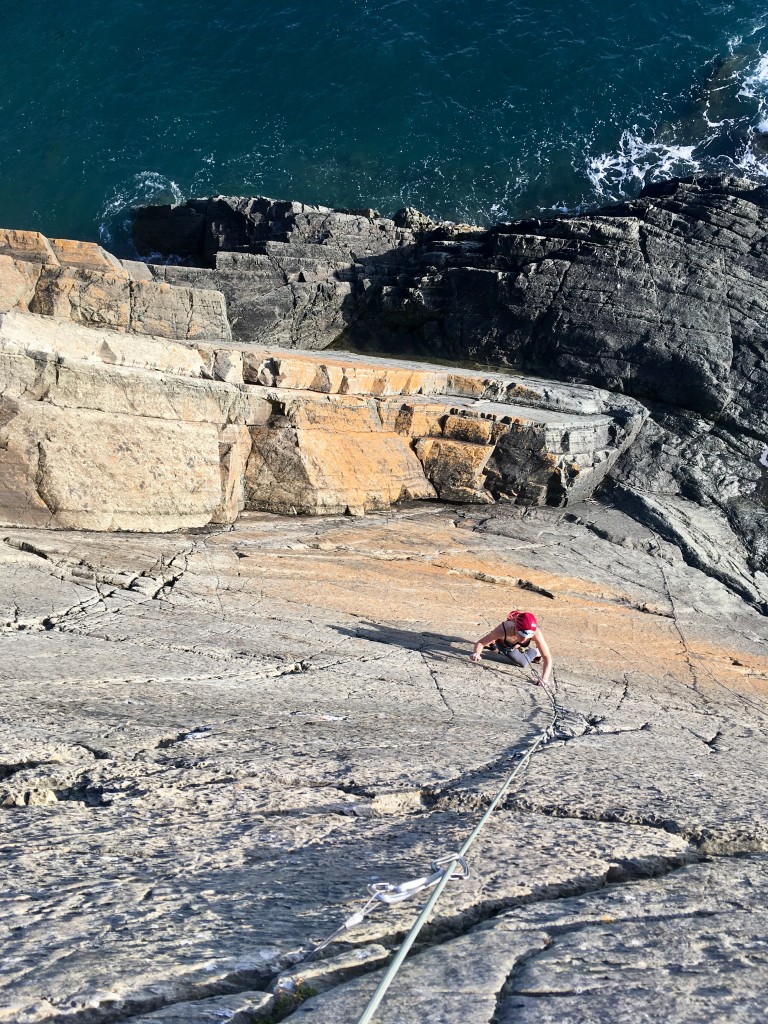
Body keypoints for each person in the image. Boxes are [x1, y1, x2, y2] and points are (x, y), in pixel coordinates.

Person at [469, 610, 553, 686]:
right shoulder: (503, 629)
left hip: (514, 646)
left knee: (523, 662)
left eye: (528, 636)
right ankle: (494, 644)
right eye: (522, 635)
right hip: (504, 643)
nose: (524, 639)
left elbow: (547, 657)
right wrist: (476, 653)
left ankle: (536, 652)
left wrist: (544, 679)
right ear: (516, 628)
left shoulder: (535, 632)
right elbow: (480, 643)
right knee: (523, 662)